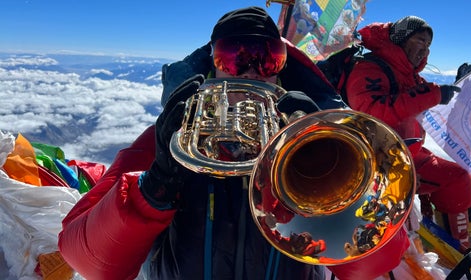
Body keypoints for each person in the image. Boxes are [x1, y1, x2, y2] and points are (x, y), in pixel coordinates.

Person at [58, 6, 362, 280]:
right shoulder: (167, 139)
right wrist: (154, 187)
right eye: (233, 58)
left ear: (282, 71)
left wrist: (325, 159)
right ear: (211, 67)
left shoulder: (320, 138)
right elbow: (86, 260)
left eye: (268, 60)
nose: (252, 71)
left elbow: (368, 263)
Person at [338, 15, 471, 253]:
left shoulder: (406, 74)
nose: (425, 49)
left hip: (406, 151)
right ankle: (459, 249)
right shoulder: (370, 67)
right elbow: (372, 111)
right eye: (420, 40)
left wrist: (461, 85)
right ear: (401, 39)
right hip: (379, 159)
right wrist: (433, 94)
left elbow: (430, 99)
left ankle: (449, 233)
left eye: (428, 45)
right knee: (457, 180)